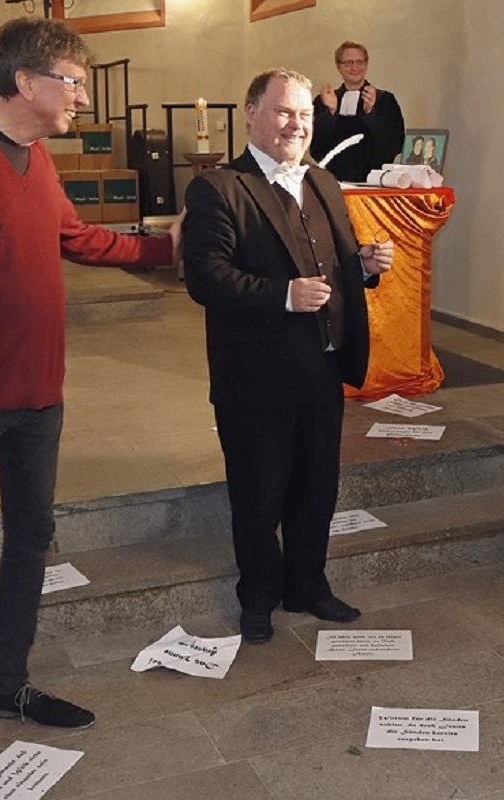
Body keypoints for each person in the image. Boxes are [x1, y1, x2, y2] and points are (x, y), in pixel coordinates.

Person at [0, 17, 178, 789]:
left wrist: (171, 245)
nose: (83, 97)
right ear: (25, 82)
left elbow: (79, 238)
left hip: (38, 397)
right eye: (73, 82)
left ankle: (7, 686)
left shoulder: (37, 157)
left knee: (29, 541)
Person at [182, 68, 394, 646]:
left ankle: (308, 584)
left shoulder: (323, 182)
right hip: (255, 376)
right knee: (259, 493)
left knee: (316, 489)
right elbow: (204, 276)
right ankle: (257, 596)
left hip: (321, 368)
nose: (296, 124)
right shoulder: (220, 187)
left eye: (304, 114)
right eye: (283, 112)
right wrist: (283, 294)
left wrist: (364, 267)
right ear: (251, 113)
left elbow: (337, 263)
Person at [310, 41, 405, 182]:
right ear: (338, 66)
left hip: (374, 179)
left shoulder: (385, 100)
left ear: (366, 64)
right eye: (348, 63)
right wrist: (331, 112)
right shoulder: (324, 100)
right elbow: (316, 146)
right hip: (334, 179)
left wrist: (371, 113)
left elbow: (394, 144)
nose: (355, 67)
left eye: (360, 62)